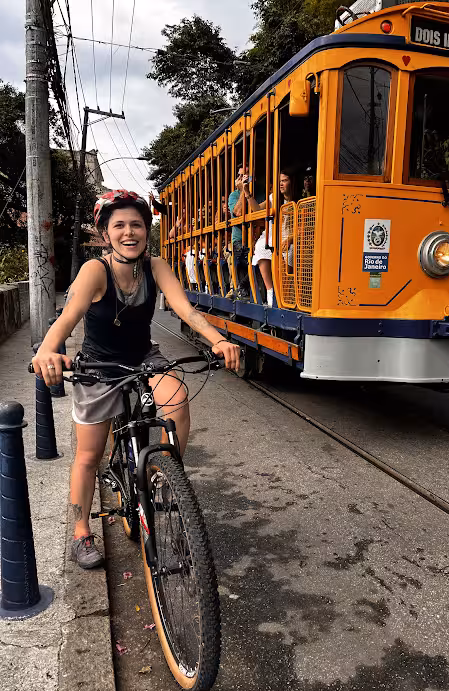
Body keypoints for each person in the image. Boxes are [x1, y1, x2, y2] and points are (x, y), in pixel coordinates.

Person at [32, 190, 240, 569]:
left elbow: (185, 309)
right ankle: (80, 533)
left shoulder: (155, 266)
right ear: (106, 234)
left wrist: (219, 339)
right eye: (120, 226)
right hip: (99, 365)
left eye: (137, 225)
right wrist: (47, 350)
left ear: (147, 230)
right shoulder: (96, 270)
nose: (130, 232)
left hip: (144, 357)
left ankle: (165, 475)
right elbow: (67, 318)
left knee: (176, 397)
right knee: (89, 454)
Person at [240, 170, 295, 307]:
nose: (281, 184)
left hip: (289, 237)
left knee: (291, 251)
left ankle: (285, 293)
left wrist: (290, 240)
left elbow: (302, 226)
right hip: (272, 234)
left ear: (291, 182)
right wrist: (247, 192)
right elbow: (257, 210)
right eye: (279, 181)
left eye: (284, 180)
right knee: (261, 246)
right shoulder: (273, 198)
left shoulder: (298, 201)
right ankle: (270, 291)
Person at [227, 167, 251, 300]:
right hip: (240, 240)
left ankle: (242, 288)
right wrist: (243, 190)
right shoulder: (234, 195)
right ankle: (242, 289)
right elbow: (238, 213)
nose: (244, 178)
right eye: (241, 176)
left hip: (258, 237)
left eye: (246, 175)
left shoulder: (259, 191)